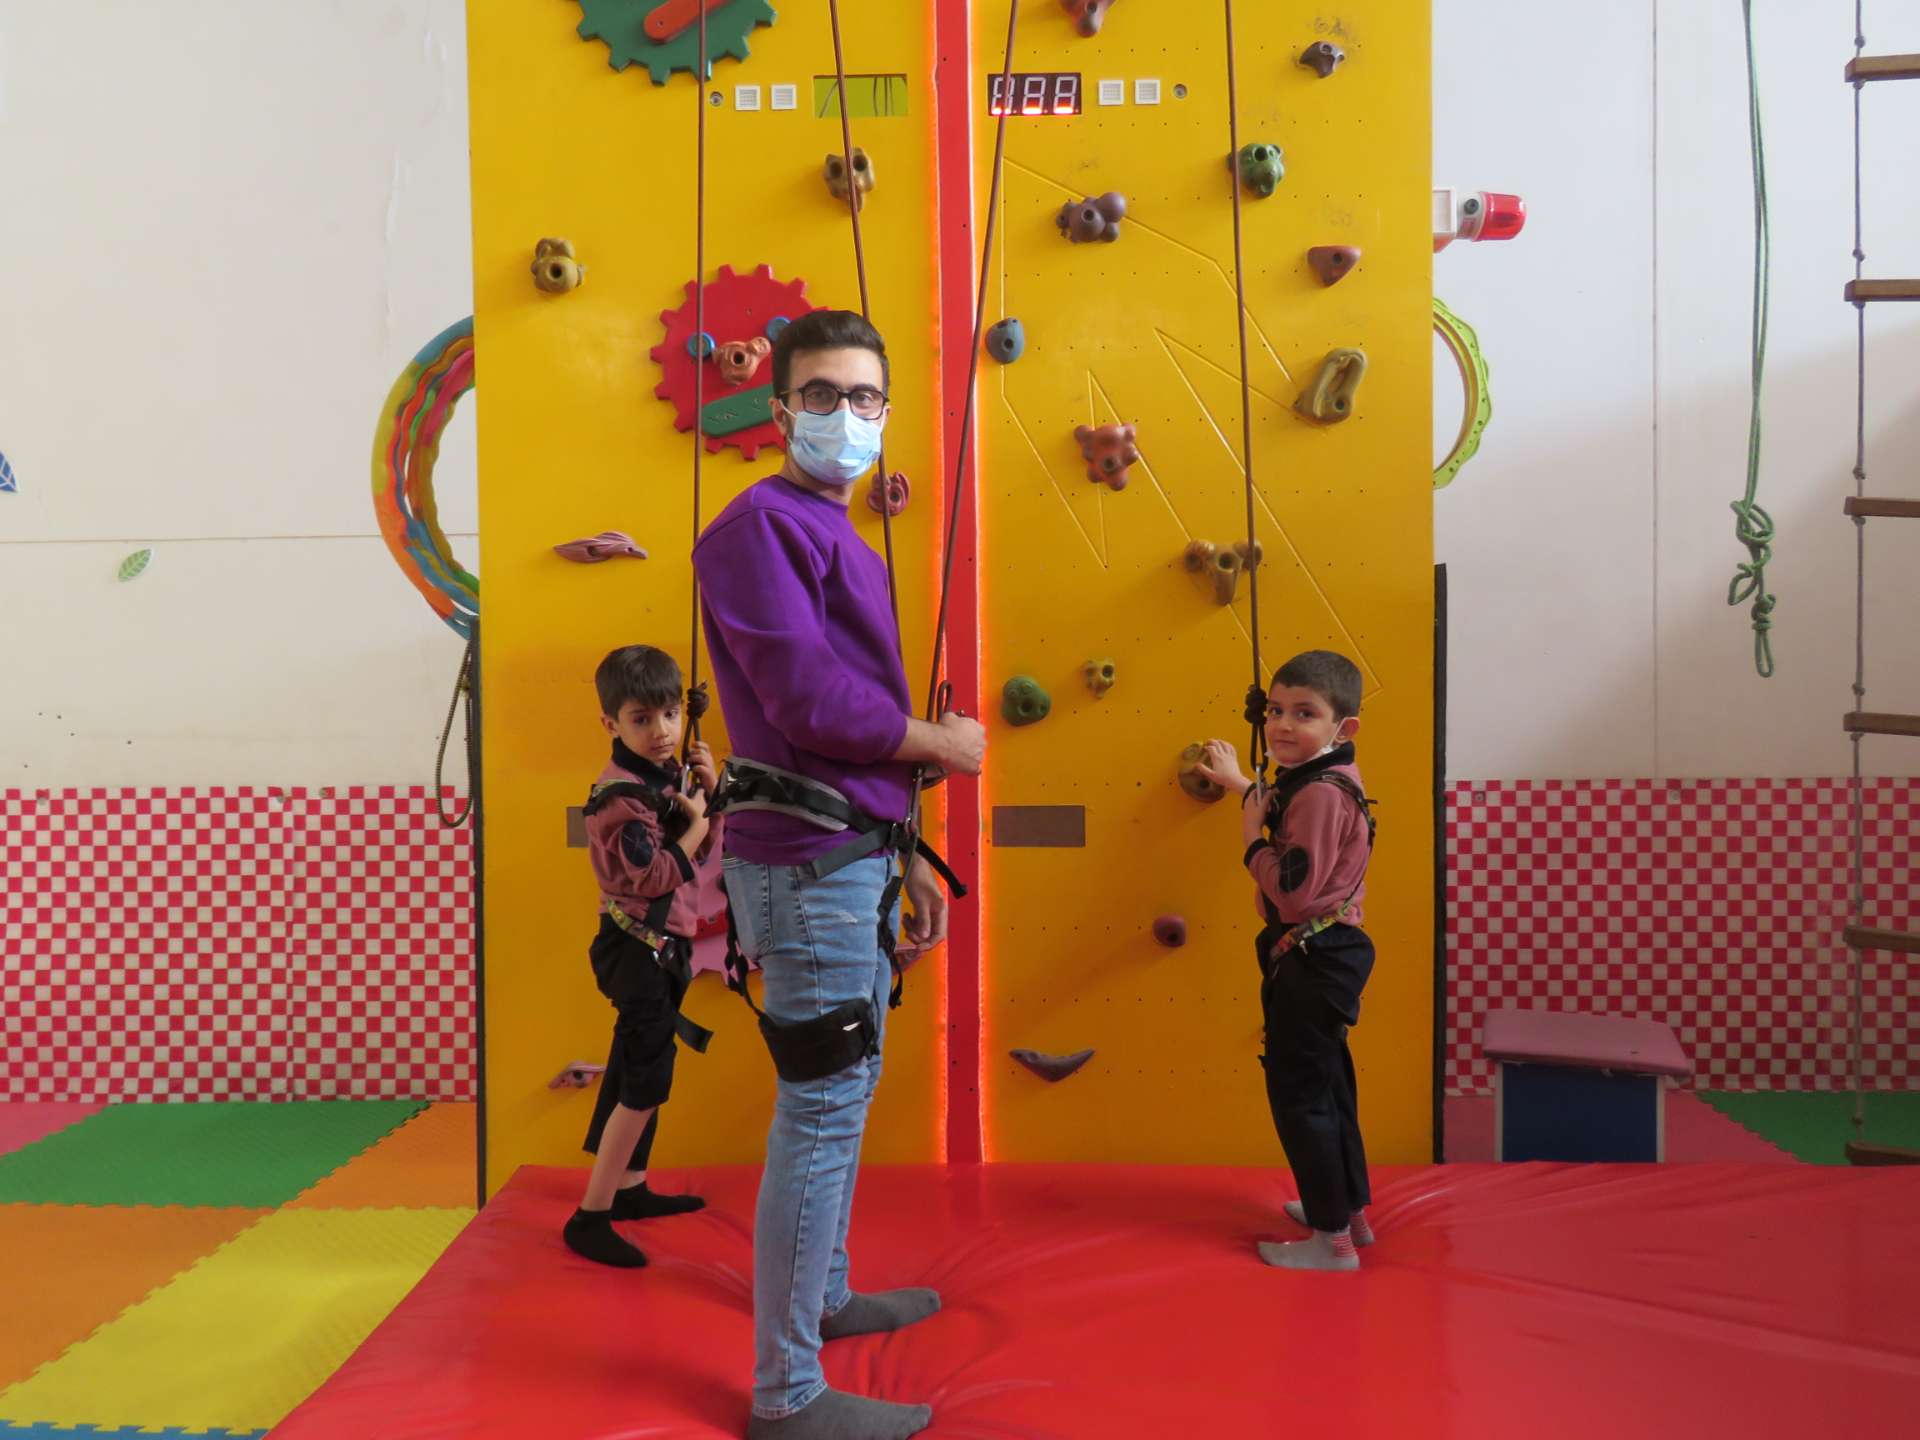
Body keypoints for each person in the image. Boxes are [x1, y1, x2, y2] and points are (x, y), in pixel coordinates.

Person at [693, 309, 986, 1440]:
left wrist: (905, 850)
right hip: (809, 867)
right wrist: (935, 741)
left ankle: (824, 1296)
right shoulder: (757, 529)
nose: (846, 415)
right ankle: (787, 1393)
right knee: (819, 1110)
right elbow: (810, 704)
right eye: (821, 395)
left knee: (845, 1093)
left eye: (864, 398)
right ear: (780, 410)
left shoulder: (833, 527)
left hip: (852, 852)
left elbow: (842, 723)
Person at [1197, 649, 1378, 1273]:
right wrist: (1242, 786)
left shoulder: (1319, 794)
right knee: (1329, 1086)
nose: (1281, 725)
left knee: (1301, 1097)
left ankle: (1333, 1242)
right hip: (1326, 953)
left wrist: (1251, 839)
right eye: (1274, 710)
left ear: (1342, 727)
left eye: (1304, 713)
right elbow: (1284, 807)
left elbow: (1294, 893)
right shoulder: (1325, 776)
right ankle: (1348, 1213)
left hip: (1312, 955)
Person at [562, 644, 721, 1270]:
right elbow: (654, 875)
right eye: (641, 719)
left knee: (636, 1065)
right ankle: (590, 1215)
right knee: (646, 1079)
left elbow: (699, 852)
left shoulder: (663, 779)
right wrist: (698, 822)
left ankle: (628, 1188)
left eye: (670, 715)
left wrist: (710, 794)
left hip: (662, 946)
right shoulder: (621, 799)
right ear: (611, 723)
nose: (661, 731)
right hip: (635, 948)